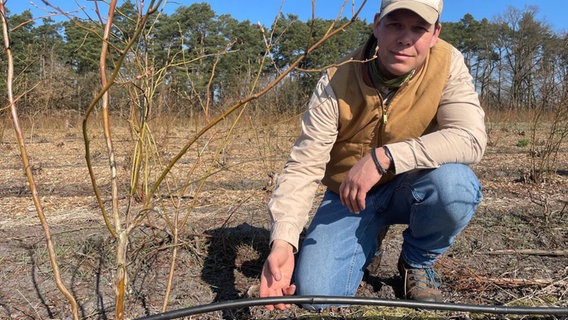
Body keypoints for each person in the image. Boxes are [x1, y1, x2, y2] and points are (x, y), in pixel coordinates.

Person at [259, 0, 486, 311]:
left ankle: (416, 262)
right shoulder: (336, 80)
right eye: (395, 25)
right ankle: (369, 238)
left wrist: (385, 157)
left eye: (419, 28)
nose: (405, 39)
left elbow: (470, 138)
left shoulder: (448, 63)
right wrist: (283, 241)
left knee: (456, 186)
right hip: (349, 196)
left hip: (412, 185)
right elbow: (304, 166)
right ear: (377, 24)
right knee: (316, 295)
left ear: (435, 34)